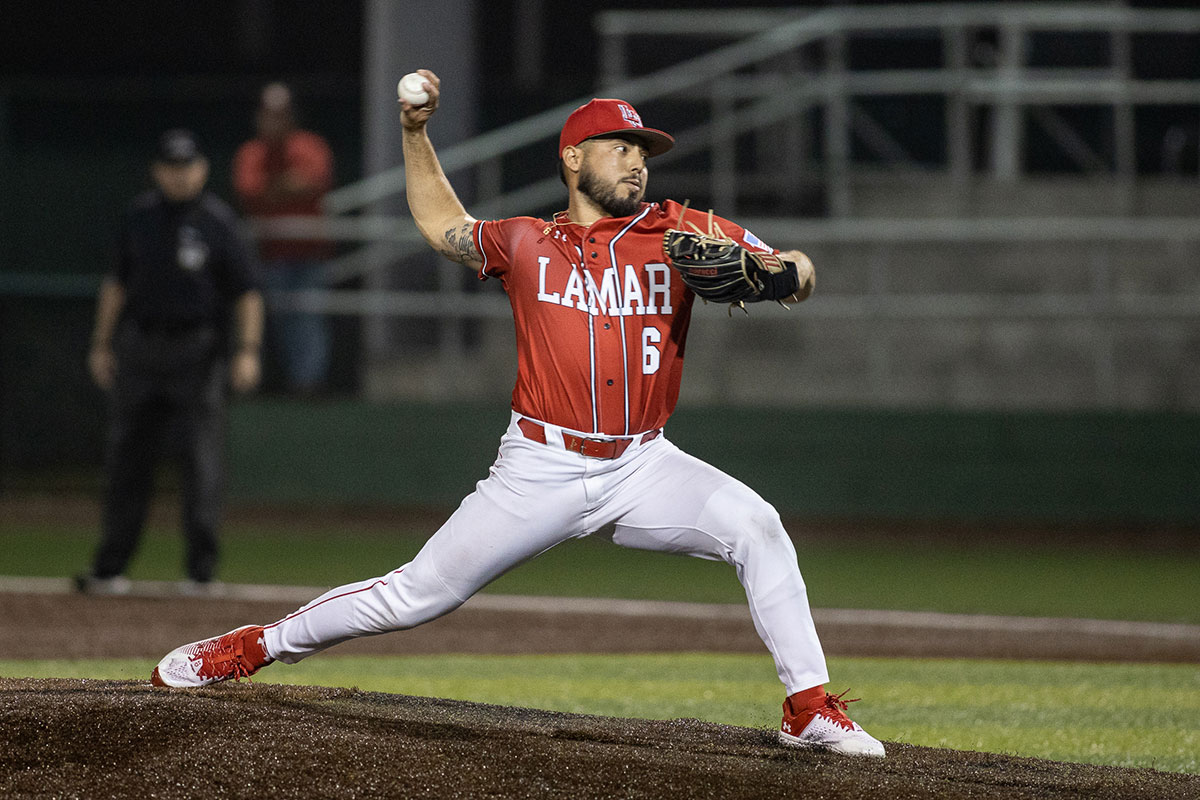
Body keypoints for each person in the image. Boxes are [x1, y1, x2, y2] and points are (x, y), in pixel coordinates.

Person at [151, 72, 885, 758]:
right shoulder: (527, 242)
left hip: (642, 463)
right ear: (574, 158)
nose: (638, 163)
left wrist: (773, 273)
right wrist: (415, 134)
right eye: (620, 148)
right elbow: (444, 226)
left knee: (756, 524)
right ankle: (253, 647)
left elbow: (800, 268)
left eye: (644, 152)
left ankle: (808, 708)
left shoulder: (679, 230)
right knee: (414, 596)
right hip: (539, 466)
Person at [78, 129, 264, 596]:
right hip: (141, 347)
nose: (179, 175)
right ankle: (109, 569)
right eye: (171, 166)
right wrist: (102, 344)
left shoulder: (219, 222)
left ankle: (201, 574)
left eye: (187, 166)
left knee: (201, 462)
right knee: (127, 460)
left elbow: (247, 293)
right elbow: (116, 283)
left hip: (197, 353)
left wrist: (247, 350)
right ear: (157, 170)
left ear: (201, 169)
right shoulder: (138, 217)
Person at [233, 82, 335, 395]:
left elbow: (314, 182)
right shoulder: (251, 153)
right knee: (267, 322)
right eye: (268, 115)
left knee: (307, 320)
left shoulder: (311, 146)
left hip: (310, 254)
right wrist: (285, 187)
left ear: (291, 116)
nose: (274, 121)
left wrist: (273, 190)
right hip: (267, 256)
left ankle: (308, 388)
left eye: (281, 115)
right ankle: (256, 387)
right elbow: (249, 192)